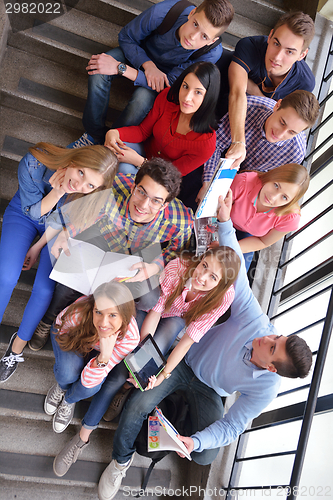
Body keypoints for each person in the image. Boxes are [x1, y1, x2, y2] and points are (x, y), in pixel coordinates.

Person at [95, 190, 312, 500]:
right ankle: (120, 461)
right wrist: (225, 222)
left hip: (211, 391)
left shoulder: (266, 389)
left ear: (271, 367)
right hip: (184, 360)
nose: (268, 337)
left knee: (205, 456)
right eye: (278, 336)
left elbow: (233, 426)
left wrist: (195, 443)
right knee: (137, 407)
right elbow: (234, 273)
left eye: (273, 347)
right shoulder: (258, 323)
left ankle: (171, 418)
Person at [29, 158, 194, 352]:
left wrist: (156, 266)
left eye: (156, 201)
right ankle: (49, 318)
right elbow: (85, 211)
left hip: (142, 251)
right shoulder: (114, 185)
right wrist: (68, 232)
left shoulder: (181, 221)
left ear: (165, 205)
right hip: (104, 236)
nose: (143, 204)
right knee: (68, 278)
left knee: (149, 298)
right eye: (141, 192)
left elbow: (177, 252)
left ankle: (105, 316)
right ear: (134, 186)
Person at [0, 143, 118, 383]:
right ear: (75, 159)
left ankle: (16, 349)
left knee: (44, 291)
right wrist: (58, 191)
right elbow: (33, 212)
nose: (81, 185)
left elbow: (60, 222)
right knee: (6, 276)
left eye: (91, 185)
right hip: (25, 213)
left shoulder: (92, 197)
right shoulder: (35, 161)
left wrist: (37, 246)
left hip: (56, 231)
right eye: (81, 172)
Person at [103, 244, 240, 422]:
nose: (202, 276)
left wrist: (163, 375)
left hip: (177, 317)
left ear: (220, 284)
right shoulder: (178, 267)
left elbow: (186, 342)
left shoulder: (223, 298)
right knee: (136, 351)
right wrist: (142, 352)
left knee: (150, 363)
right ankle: (112, 379)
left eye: (213, 277)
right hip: (156, 308)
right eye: (204, 265)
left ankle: (125, 388)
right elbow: (156, 311)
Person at [72, 0, 234, 147]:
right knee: (98, 70)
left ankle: (110, 144)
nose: (193, 37)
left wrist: (121, 69)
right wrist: (147, 65)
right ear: (192, 13)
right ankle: (94, 135)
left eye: (204, 36)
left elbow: (171, 83)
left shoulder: (211, 52)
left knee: (141, 101)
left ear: (212, 40)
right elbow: (127, 37)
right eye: (195, 24)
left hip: (163, 79)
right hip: (137, 54)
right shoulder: (167, 11)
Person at [45, 281, 139, 476]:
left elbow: (91, 381)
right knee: (67, 373)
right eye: (99, 312)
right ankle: (61, 387)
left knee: (91, 388)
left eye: (112, 315)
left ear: (125, 315)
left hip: (98, 350)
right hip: (70, 335)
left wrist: (104, 357)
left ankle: (68, 399)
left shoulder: (129, 337)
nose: (104, 322)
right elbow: (63, 333)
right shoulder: (79, 313)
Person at [105, 61, 220, 209]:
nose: (186, 97)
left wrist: (140, 162)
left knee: (125, 170)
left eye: (198, 92)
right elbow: (143, 131)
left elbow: (170, 176)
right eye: (185, 86)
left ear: (209, 97)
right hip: (144, 149)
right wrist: (114, 132)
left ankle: (118, 209)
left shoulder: (206, 142)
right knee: (116, 147)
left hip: (160, 180)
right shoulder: (168, 98)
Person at [221, 11, 315, 169]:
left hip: (259, 126)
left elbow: (289, 116)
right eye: (276, 43)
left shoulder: (304, 82)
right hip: (227, 103)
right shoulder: (250, 46)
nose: (277, 57)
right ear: (270, 36)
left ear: (302, 55)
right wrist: (238, 142)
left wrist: (251, 88)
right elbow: (237, 93)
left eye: (289, 52)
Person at [200, 90, 319, 200]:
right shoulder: (249, 106)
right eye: (282, 123)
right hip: (220, 160)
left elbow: (268, 184)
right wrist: (208, 183)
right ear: (277, 106)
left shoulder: (295, 153)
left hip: (248, 188)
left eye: (292, 132)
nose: (280, 134)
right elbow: (217, 144)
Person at [230, 163, 310, 270]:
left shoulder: (290, 218)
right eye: (276, 185)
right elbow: (215, 208)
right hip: (224, 219)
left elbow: (263, 241)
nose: (273, 197)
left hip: (251, 237)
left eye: (284, 197)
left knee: (233, 276)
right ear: (272, 175)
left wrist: (229, 248)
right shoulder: (244, 181)